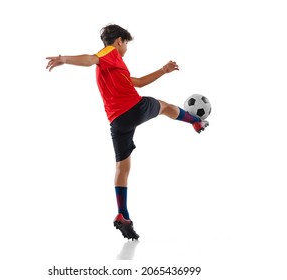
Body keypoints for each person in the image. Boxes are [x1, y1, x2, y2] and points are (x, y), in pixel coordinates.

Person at [46, 24, 209, 240]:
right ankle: (196, 121)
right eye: (126, 44)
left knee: (123, 167)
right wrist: (64, 59)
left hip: (118, 122)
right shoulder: (109, 53)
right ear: (120, 40)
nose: (126, 49)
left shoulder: (114, 67)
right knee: (164, 106)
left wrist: (163, 70)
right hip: (134, 109)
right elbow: (90, 58)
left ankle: (123, 214)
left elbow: (139, 83)